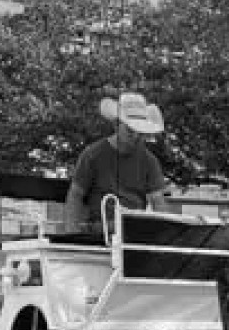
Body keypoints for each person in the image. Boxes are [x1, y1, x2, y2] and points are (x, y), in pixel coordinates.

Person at [64, 92, 166, 231]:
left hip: (134, 232)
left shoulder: (150, 161)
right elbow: (75, 195)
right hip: (100, 230)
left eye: (140, 131)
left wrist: (163, 235)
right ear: (116, 125)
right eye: (130, 130)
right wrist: (72, 233)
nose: (136, 136)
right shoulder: (92, 155)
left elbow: (158, 202)